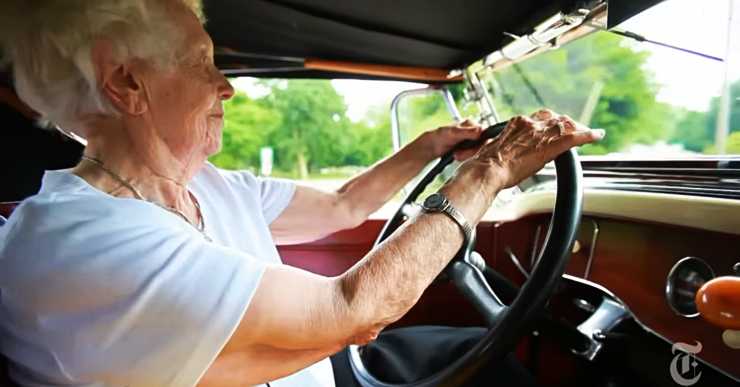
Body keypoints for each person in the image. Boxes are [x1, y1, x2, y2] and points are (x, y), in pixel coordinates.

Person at [0, 0, 604, 386]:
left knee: (487, 358)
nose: (226, 88)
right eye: (202, 63)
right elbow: (352, 310)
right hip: (331, 359)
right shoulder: (77, 241)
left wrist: (429, 148)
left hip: (328, 367)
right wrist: (490, 171)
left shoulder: (207, 185)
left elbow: (344, 206)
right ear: (126, 82)